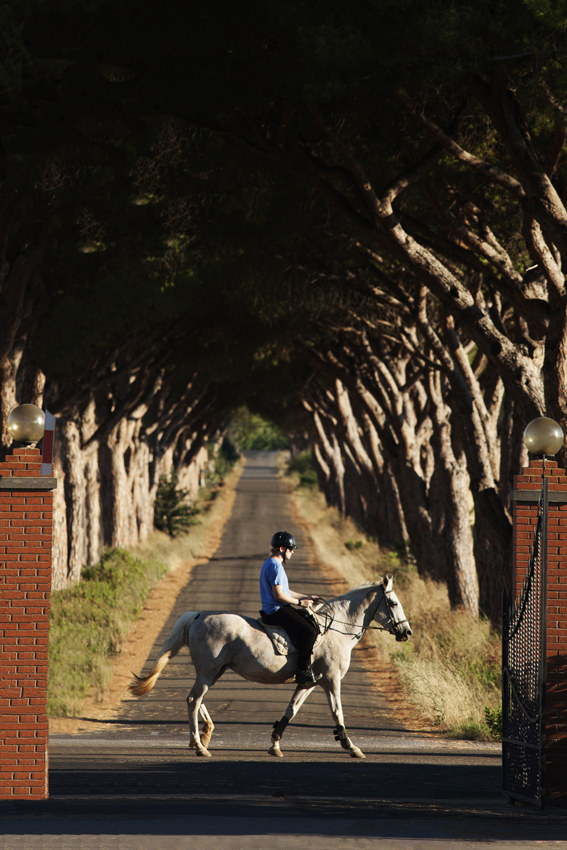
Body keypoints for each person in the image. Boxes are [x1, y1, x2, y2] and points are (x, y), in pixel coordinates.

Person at [259, 530, 320, 686]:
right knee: (310, 631)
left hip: (275, 609)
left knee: (305, 619)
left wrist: (304, 597)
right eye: (290, 549)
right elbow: (279, 596)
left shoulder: (269, 563)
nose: (292, 552)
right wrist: (300, 604)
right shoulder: (276, 567)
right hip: (277, 610)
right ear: (281, 549)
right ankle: (302, 671)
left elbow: (286, 591)